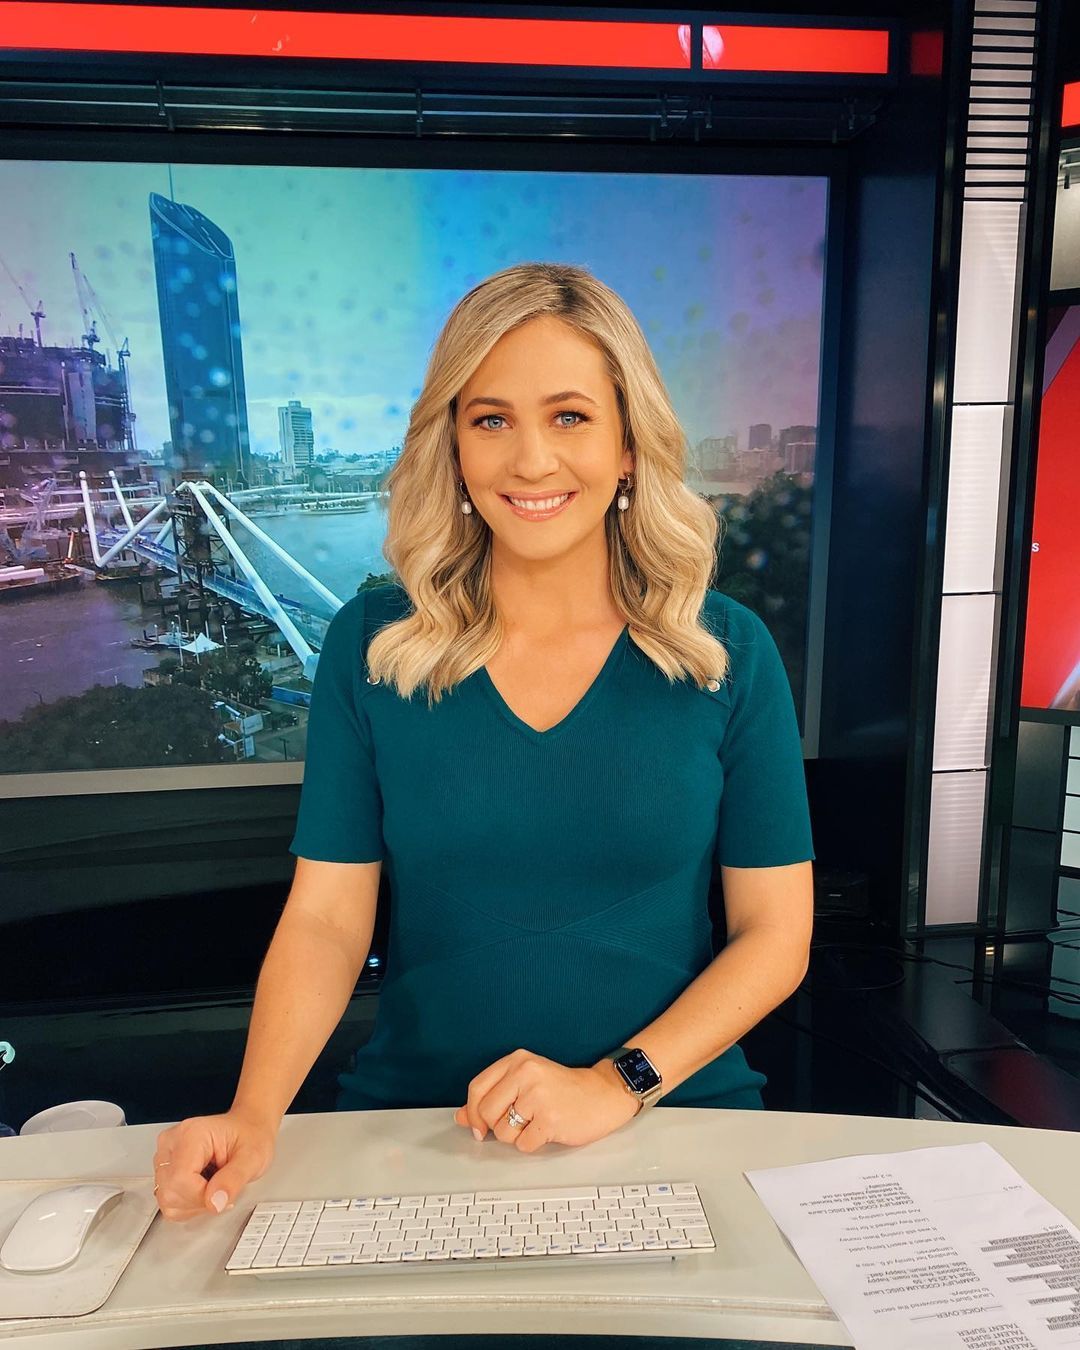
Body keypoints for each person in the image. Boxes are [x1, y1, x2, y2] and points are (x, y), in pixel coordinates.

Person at [152, 261, 814, 1223]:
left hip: (676, 1120)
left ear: (630, 444)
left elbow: (776, 934)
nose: (531, 460)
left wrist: (616, 1084)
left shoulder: (726, 654)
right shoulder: (373, 648)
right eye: (491, 419)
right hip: (415, 1127)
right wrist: (254, 1114)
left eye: (571, 416)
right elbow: (327, 919)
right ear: (454, 446)